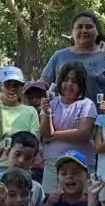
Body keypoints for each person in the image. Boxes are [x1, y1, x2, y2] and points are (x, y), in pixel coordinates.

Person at [40, 10, 105, 108]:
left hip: (100, 119)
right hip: (62, 118)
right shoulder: (59, 56)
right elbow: (43, 85)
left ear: (97, 32)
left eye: (89, 27)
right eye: (79, 27)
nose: (84, 30)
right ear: (72, 32)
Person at [39, 64, 98, 192]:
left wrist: (53, 135)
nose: (69, 84)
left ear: (82, 84)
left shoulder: (87, 104)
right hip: (53, 165)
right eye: (66, 80)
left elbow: (82, 134)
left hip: (80, 166)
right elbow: (45, 133)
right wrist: (47, 113)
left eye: (74, 81)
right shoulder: (51, 103)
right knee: (51, 203)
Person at [0, 65, 41, 145]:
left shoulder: (30, 111)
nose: (12, 88)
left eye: (16, 85)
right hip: (0, 156)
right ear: (0, 86)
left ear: (22, 87)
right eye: (7, 85)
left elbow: (34, 139)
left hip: (25, 155)